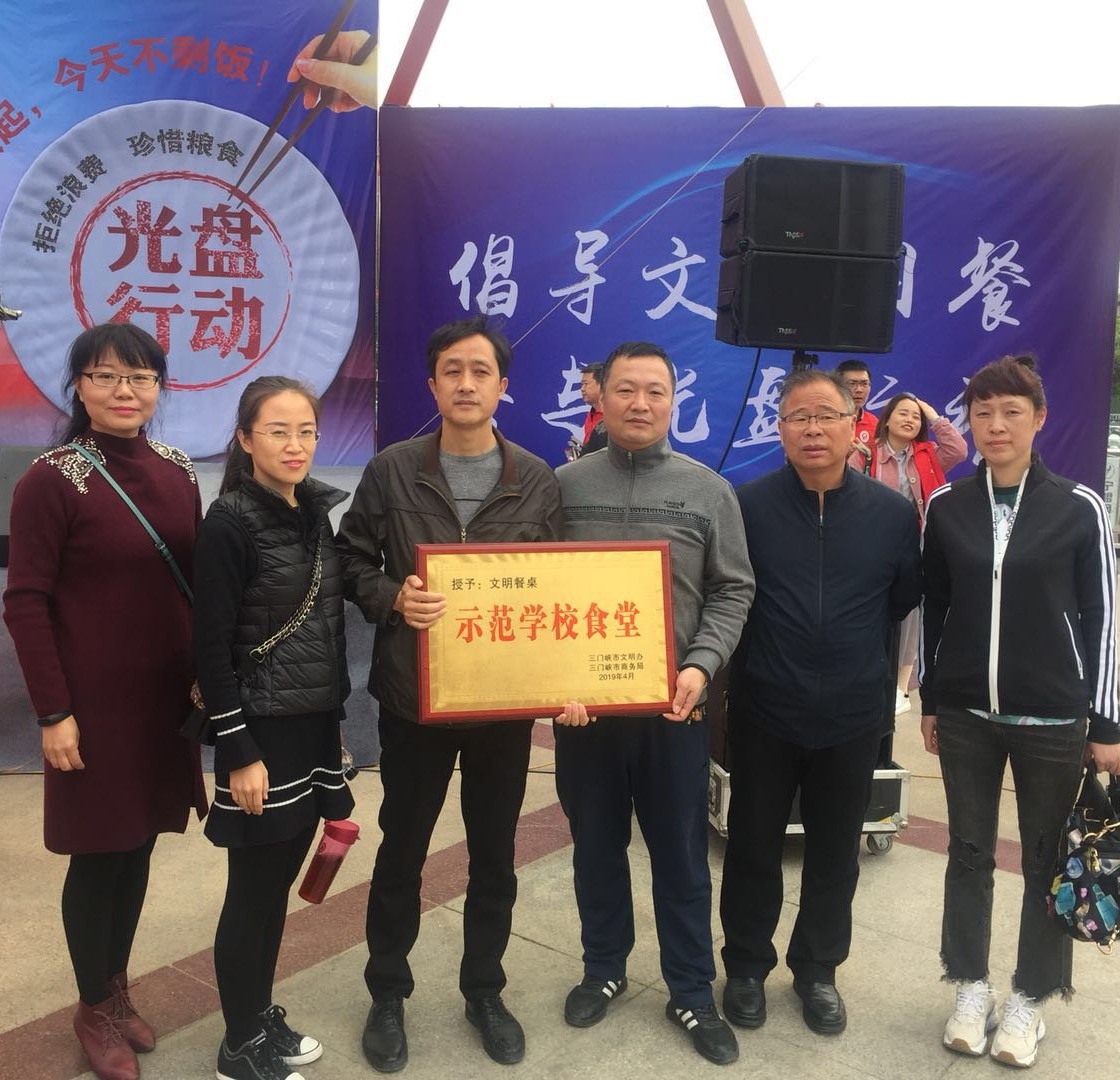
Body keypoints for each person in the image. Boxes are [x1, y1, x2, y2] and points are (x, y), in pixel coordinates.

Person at [336, 316, 563, 1072]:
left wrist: (569, 679)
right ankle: (387, 994)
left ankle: (484, 992)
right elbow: (349, 560)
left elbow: (558, 588)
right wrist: (392, 597)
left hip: (501, 705)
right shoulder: (392, 470)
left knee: (494, 855)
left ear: (503, 386)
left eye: (480, 372)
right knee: (402, 848)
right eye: (452, 372)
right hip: (415, 700)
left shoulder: (536, 479)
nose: (466, 384)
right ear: (432, 385)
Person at [3, 323, 208, 1080]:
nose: (125, 391)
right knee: (99, 855)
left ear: (159, 387)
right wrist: (53, 712)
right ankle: (93, 1007)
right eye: (106, 376)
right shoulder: (51, 479)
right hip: (91, 707)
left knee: (140, 843)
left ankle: (116, 989)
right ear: (79, 387)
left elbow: (196, 582)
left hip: (162, 700)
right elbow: (25, 602)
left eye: (141, 377)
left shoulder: (179, 470)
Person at [919, 354, 1120, 1069]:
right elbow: (935, 607)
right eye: (983, 413)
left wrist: (1105, 722)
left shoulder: (1079, 506)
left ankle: (1030, 998)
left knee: (1045, 861)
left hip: (1053, 719)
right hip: (967, 714)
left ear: (1039, 419)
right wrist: (932, 698)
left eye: (1012, 412)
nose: (996, 425)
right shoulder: (947, 507)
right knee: (969, 854)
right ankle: (970, 988)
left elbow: (1101, 616)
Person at [552, 342, 755, 1066]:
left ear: (673, 400)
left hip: (675, 711)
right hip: (585, 716)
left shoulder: (708, 490)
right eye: (626, 389)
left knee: (681, 858)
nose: (640, 404)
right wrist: (553, 678)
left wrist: (701, 666)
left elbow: (733, 589)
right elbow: (536, 587)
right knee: (595, 849)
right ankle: (603, 967)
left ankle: (691, 990)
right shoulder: (562, 487)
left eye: (655, 391)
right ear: (599, 396)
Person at [718, 368, 920, 1041]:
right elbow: (729, 595)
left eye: (826, 415)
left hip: (852, 715)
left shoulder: (892, 515)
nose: (812, 429)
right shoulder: (747, 505)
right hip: (765, 710)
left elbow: (899, 600)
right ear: (779, 429)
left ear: (853, 426)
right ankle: (746, 967)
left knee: (836, 853)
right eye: (797, 417)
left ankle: (817, 971)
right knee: (753, 846)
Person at [192, 376, 355, 1080]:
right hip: (259, 735)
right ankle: (238, 1045)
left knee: (278, 885)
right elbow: (211, 648)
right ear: (245, 439)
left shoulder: (312, 511)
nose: (295, 445)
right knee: (253, 892)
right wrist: (238, 750)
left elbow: (323, 626)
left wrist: (331, 728)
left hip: (311, 728)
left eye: (306, 431)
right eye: (278, 431)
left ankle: (258, 1016)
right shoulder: (228, 524)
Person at [848, 392, 968, 712]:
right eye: (903, 413)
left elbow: (958, 449)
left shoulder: (927, 455)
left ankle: (901, 689)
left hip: (916, 547)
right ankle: (868, 675)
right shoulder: (866, 453)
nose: (910, 420)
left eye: (915, 417)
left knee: (912, 615)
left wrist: (931, 413)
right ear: (886, 419)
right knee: (873, 609)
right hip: (873, 547)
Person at [835, 359, 878, 456]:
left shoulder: (874, 423)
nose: (859, 390)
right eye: (852, 383)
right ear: (838, 387)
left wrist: (867, 455)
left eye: (864, 384)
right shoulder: (825, 419)